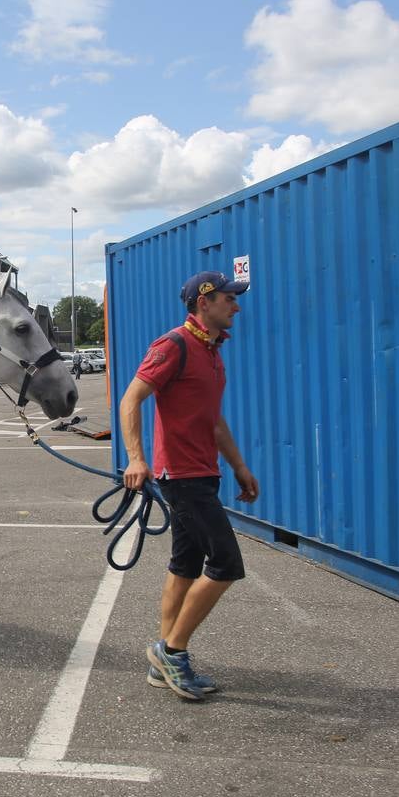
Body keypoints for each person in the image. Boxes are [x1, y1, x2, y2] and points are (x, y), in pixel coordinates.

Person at [119, 270, 260, 701]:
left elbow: (214, 420)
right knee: (226, 565)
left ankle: (163, 664)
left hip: (205, 473)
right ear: (204, 302)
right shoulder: (173, 345)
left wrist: (239, 467)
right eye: (229, 299)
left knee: (185, 564)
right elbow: (131, 398)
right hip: (181, 477)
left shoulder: (213, 351)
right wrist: (137, 458)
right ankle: (172, 652)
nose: (236, 306)